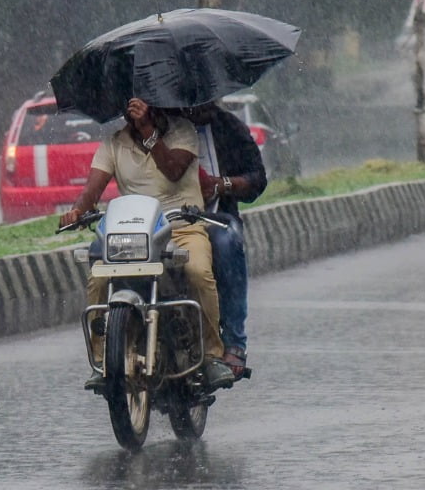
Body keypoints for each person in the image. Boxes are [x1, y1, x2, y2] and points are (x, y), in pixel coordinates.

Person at [59, 97, 233, 391]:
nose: (135, 111)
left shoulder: (183, 132)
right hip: (135, 235)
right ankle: (102, 360)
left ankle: (213, 355)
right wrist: (77, 210)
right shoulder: (113, 144)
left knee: (199, 273)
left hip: (182, 229)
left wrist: (149, 132)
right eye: (131, 106)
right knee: (97, 279)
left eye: (143, 105)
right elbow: (92, 189)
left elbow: (173, 170)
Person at [180, 101, 268, 380]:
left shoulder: (229, 127)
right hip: (166, 220)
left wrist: (223, 185)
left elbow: (257, 179)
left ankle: (234, 342)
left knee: (226, 243)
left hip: (216, 218)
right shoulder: (162, 127)